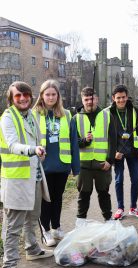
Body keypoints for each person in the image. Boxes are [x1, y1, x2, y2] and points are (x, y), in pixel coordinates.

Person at [0, 81, 53, 268]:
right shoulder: (7, 118)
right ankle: (9, 267)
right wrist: (33, 150)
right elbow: (13, 145)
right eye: (17, 96)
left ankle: (32, 249)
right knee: (12, 226)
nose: (22, 99)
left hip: (34, 176)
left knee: (33, 217)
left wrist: (39, 150)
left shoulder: (31, 115)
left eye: (26, 95)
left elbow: (36, 140)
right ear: (11, 99)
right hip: (15, 179)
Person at [32, 80, 80, 246]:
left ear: (58, 96)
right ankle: (45, 231)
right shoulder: (34, 114)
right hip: (43, 164)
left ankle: (56, 227)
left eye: (53, 94)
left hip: (62, 164)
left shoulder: (67, 114)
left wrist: (75, 167)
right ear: (42, 96)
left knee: (58, 197)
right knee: (46, 199)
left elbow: (73, 141)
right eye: (47, 94)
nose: (50, 97)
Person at [74, 87, 117, 226]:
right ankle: (80, 221)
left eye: (92, 99)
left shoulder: (107, 115)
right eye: (86, 99)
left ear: (97, 99)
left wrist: (110, 161)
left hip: (102, 164)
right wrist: (84, 141)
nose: (89, 102)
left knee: (104, 193)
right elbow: (73, 142)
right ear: (82, 100)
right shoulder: (76, 118)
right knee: (83, 194)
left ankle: (108, 219)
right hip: (83, 165)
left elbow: (113, 140)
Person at [109, 85, 138, 220]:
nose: (121, 100)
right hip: (118, 152)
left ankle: (133, 207)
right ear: (113, 98)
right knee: (119, 180)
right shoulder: (109, 113)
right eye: (118, 98)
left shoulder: (133, 110)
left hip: (132, 151)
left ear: (127, 96)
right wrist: (112, 153)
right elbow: (106, 135)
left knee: (135, 179)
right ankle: (120, 208)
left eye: (123, 97)